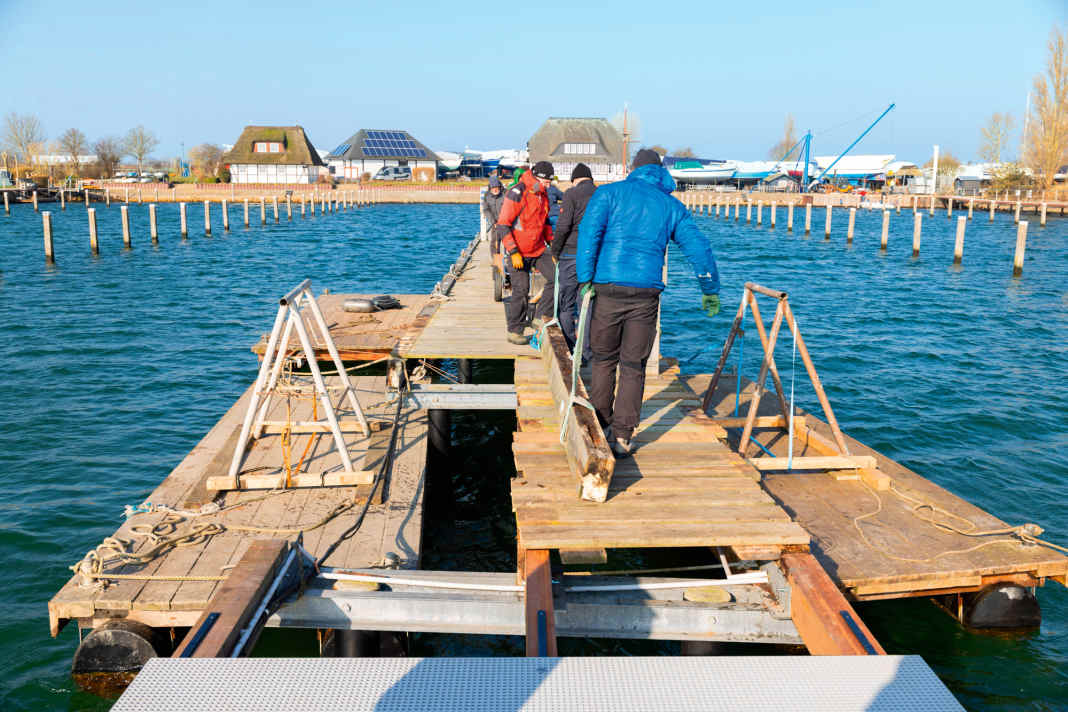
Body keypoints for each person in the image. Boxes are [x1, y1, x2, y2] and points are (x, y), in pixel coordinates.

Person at [577, 149, 721, 457]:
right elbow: (698, 246)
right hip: (645, 293)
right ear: (659, 172)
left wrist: (585, 278)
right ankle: (623, 436)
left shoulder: (608, 194)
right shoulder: (670, 205)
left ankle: (600, 424)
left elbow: (589, 235)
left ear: (632, 169)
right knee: (633, 365)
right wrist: (709, 288)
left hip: (608, 287)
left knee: (603, 359)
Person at [496, 160, 557, 345]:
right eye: (546, 182)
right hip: (519, 251)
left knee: (557, 279)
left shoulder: (543, 195)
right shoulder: (517, 192)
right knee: (521, 291)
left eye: (549, 183)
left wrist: (552, 245)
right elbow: (503, 225)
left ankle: (540, 316)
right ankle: (515, 330)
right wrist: (513, 251)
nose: (548, 185)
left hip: (538, 249)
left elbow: (544, 222)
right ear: (537, 178)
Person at [551, 162, 597, 354]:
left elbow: (562, 227)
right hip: (593, 255)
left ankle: (569, 346)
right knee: (586, 304)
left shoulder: (571, 194)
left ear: (575, 180)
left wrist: (555, 251)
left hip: (570, 254)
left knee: (566, 303)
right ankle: (585, 352)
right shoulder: (601, 194)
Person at [482, 175, 505, 247]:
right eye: (493, 187)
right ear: (490, 187)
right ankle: (495, 257)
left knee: (509, 244)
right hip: (495, 223)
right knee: (494, 243)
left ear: (499, 186)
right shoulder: (487, 195)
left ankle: (508, 257)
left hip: (506, 223)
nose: (495, 189)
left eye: (496, 187)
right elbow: (486, 209)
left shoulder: (506, 193)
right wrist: (493, 222)